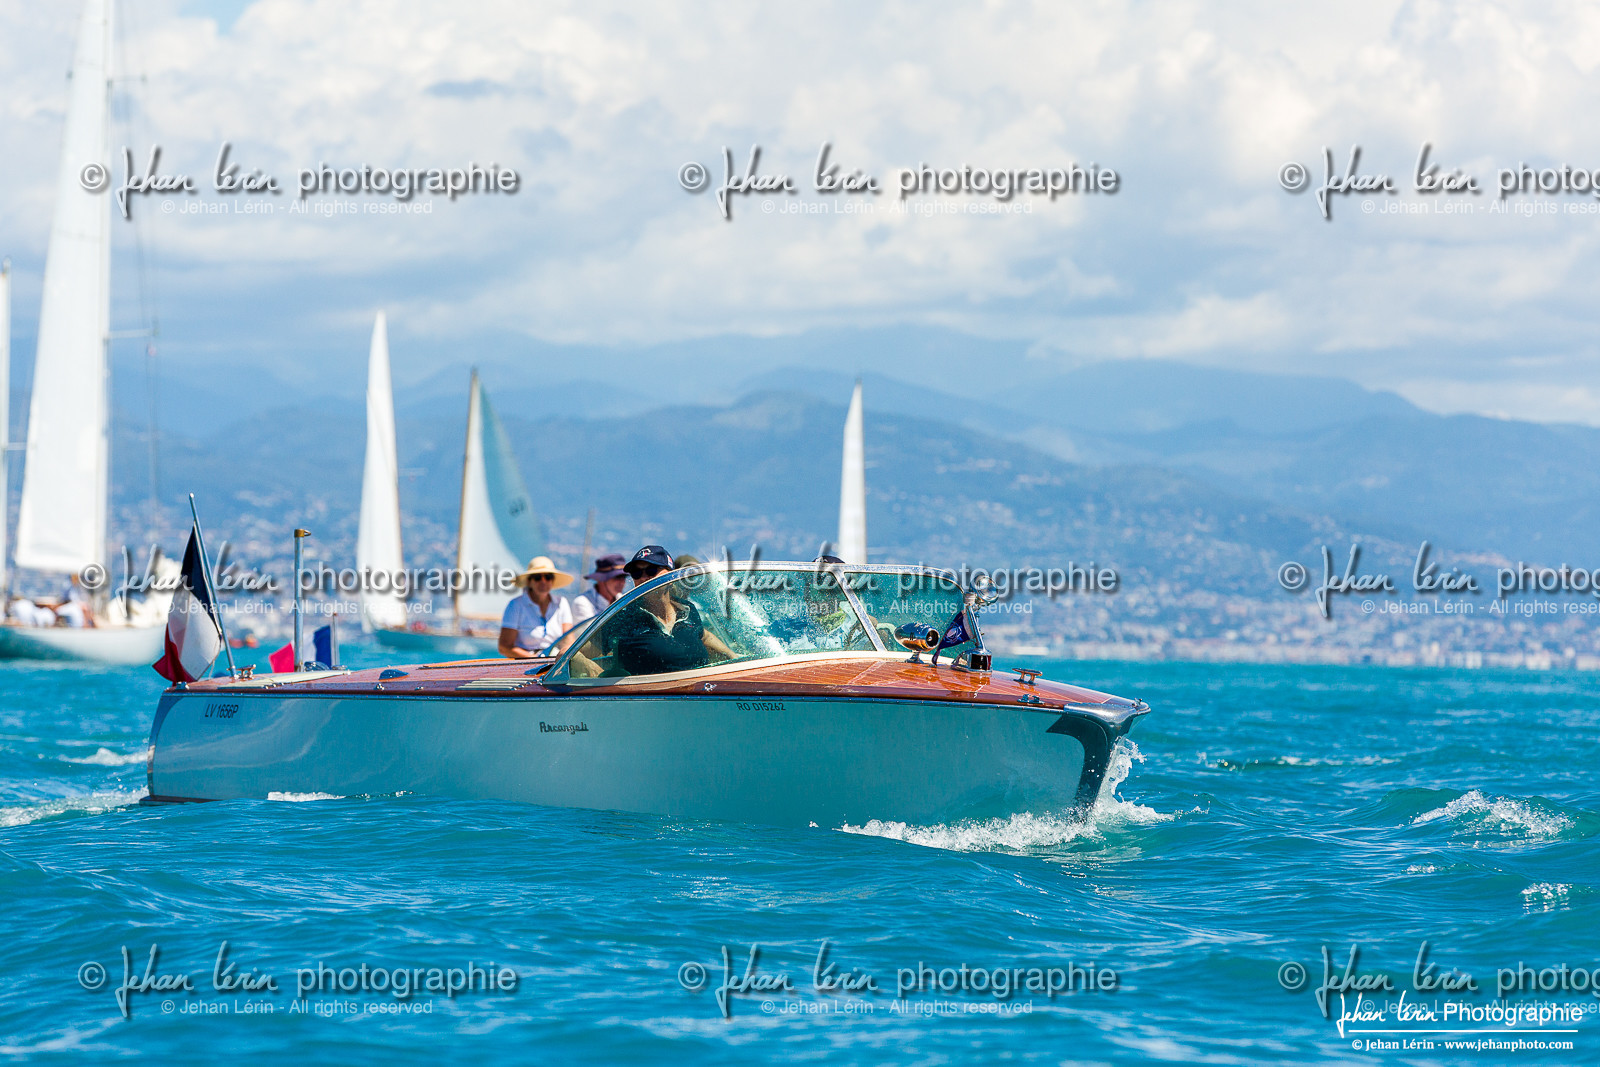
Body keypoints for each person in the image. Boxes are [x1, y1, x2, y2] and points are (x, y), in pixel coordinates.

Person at [608, 545, 734, 675]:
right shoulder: (624, 618)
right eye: (637, 573)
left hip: (703, 689)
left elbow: (704, 635)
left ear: (671, 575)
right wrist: (595, 671)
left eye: (651, 570)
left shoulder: (688, 609)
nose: (643, 577)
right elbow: (587, 648)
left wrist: (733, 656)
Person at [498, 556, 576, 658]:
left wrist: (565, 655)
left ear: (552, 581)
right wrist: (535, 660)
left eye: (548, 577)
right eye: (538, 577)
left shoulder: (562, 603)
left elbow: (568, 638)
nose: (543, 581)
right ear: (529, 581)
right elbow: (504, 647)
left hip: (555, 662)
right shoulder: (515, 605)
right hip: (525, 664)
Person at [569, 554, 629, 626]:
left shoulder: (623, 600)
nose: (622, 582)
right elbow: (593, 635)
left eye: (624, 577)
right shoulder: (582, 603)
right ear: (601, 579)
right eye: (618, 577)